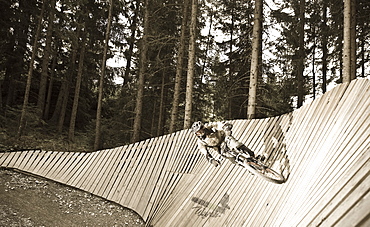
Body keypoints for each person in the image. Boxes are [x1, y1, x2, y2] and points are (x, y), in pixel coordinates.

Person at [191, 121, 257, 167]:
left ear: (203, 128)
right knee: (234, 160)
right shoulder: (200, 142)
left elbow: (222, 124)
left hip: (225, 138)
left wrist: (227, 129)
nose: (200, 133)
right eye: (197, 133)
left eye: (200, 131)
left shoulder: (211, 126)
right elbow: (205, 153)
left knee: (236, 145)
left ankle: (252, 154)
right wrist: (212, 161)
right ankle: (250, 168)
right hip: (220, 149)